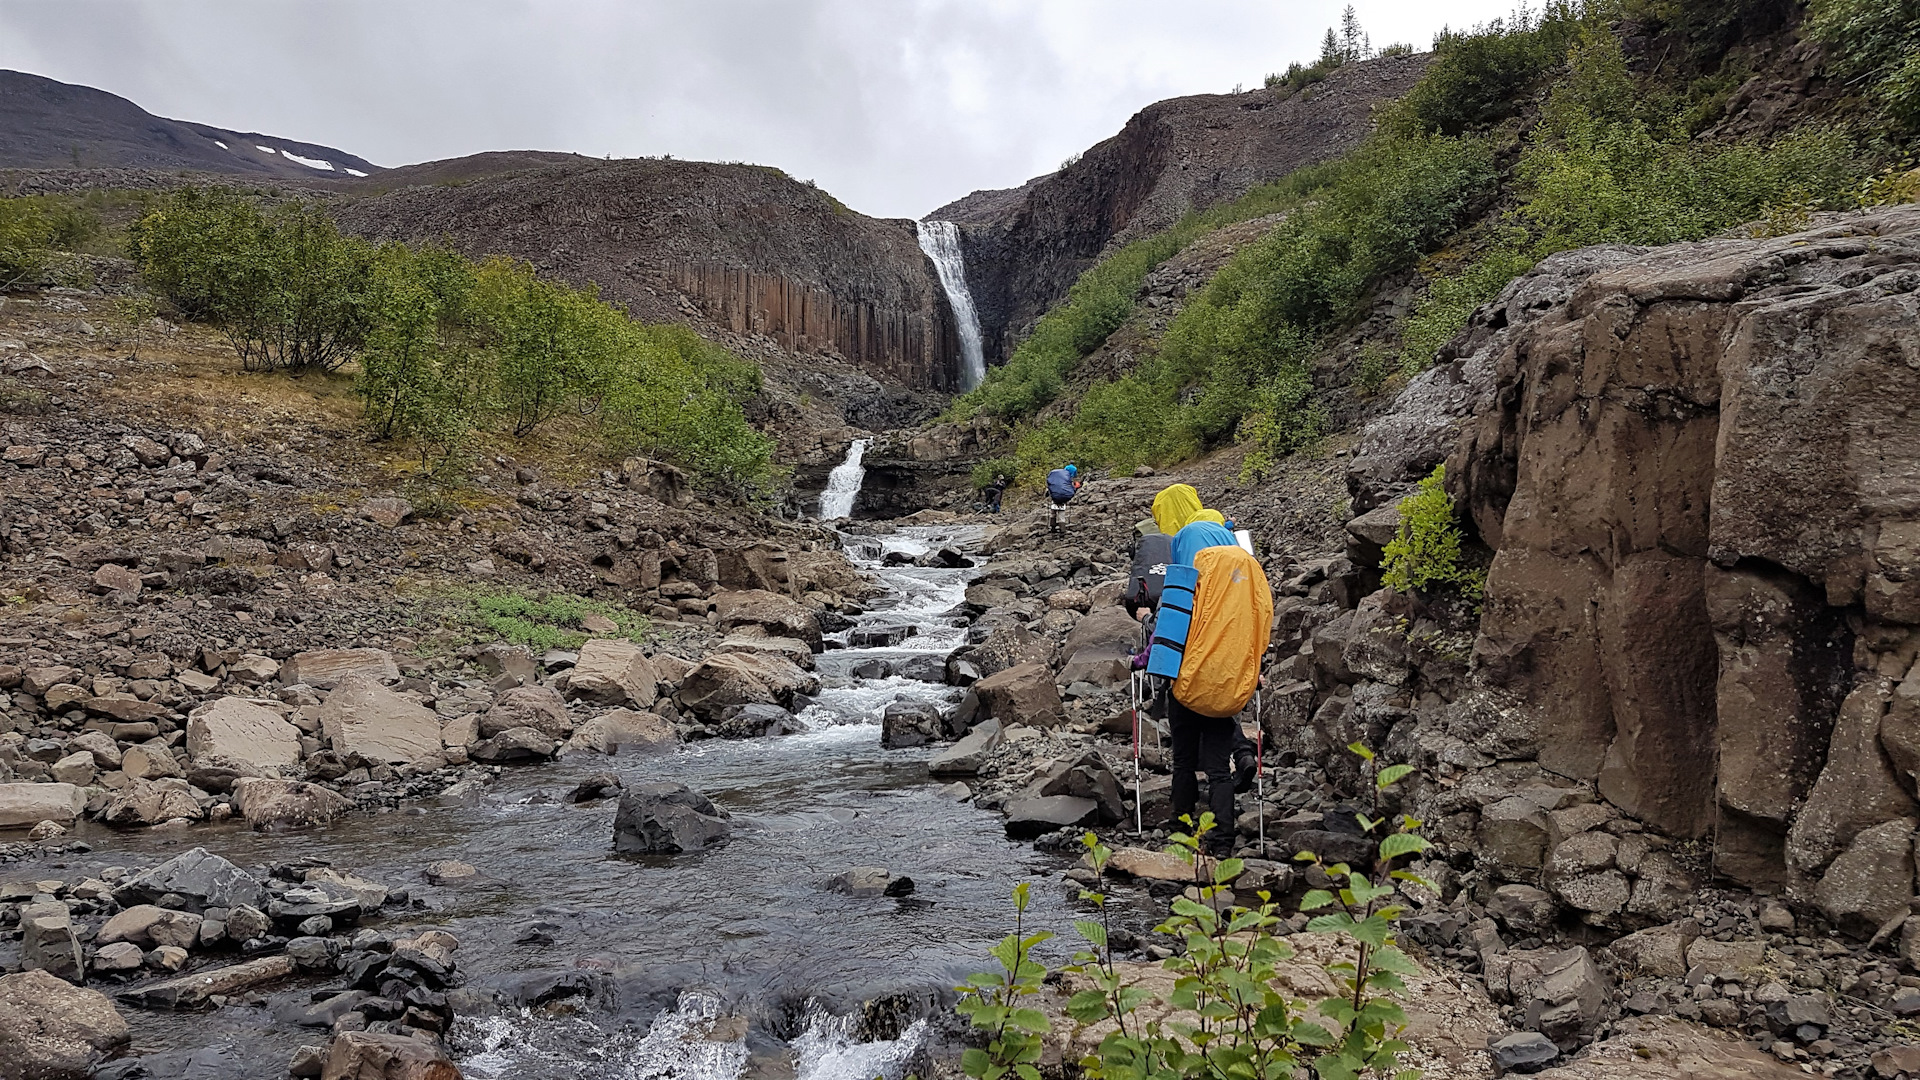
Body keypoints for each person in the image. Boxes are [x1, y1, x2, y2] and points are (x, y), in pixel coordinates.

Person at [1147, 483, 1261, 855]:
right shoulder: (1249, 580)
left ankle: (1183, 825)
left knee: (1183, 759)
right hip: (1228, 683)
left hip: (1190, 682)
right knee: (1218, 767)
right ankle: (1222, 841)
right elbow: (1258, 631)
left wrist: (1152, 666)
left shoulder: (1187, 578)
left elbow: (1171, 629)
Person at [1045, 463, 1081, 534]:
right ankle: (1062, 530)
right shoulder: (1069, 477)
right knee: (1061, 514)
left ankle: (1053, 527)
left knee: (1053, 512)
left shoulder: (1058, 476)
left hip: (1055, 496)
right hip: (1064, 497)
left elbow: (1050, 486)